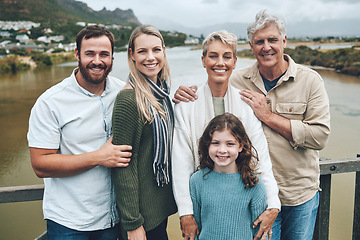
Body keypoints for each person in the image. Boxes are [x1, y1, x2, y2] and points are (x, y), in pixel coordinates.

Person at [174, 10, 331, 240]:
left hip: (297, 192)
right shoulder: (235, 83)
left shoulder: (310, 81)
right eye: (259, 42)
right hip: (244, 199)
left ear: (284, 41)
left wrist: (267, 116)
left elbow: (318, 137)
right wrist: (175, 95)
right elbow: (181, 162)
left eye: (272, 40)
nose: (266, 47)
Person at [172, 30, 280, 240]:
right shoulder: (186, 106)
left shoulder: (246, 106)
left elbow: (261, 159)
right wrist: (186, 212)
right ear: (203, 60)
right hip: (204, 202)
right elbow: (180, 163)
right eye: (213, 56)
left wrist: (273, 204)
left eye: (226, 56)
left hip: (239, 204)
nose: (219, 63)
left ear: (235, 61)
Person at [27, 25, 132, 239]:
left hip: (113, 219)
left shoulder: (124, 93)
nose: (97, 61)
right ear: (77, 54)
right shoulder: (50, 102)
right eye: (89, 53)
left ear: (113, 57)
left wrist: (180, 96)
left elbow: (156, 102)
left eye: (104, 54)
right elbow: (40, 164)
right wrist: (99, 157)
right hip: (70, 223)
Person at [111, 24, 177, 240]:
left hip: (159, 208)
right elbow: (124, 166)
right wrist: (132, 224)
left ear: (164, 51)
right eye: (142, 51)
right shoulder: (128, 99)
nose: (151, 57)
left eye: (156, 50)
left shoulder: (162, 93)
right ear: (132, 54)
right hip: (141, 218)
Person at [191, 113, 267, 239]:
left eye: (230, 144)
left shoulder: (254, 183)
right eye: (215, 143)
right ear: (207, 145)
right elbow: (196, 227)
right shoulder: (197, 181)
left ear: (241, 146)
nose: (222, 150)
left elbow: (258, 232)